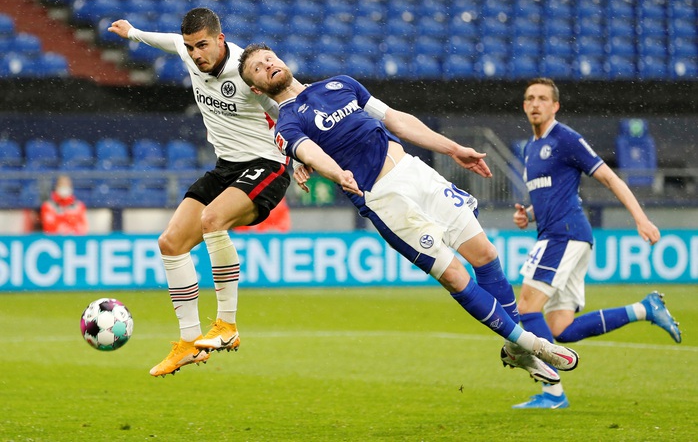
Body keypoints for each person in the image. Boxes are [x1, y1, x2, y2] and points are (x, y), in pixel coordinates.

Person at [238, 43, 581, 380]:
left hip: (416, 173)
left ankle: (517, 351)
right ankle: (531, 343)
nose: (267, 64)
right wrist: (335, 172)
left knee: (485, 254)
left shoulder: (340, 83)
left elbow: (397, 120)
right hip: (384, 198)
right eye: (258, 67)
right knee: (454, 275)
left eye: (269, 58)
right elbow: (310, 153)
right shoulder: (286, 125)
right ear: (256, 87)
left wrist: (453, 148)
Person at [108, 9, 291, 377]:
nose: (196, 55)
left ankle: (228, 326)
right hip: (226, 168)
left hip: (267, 166)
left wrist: (302, 153)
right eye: (191, 48)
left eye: (202, 46)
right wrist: (133, 33)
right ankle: (190, 343)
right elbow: (167, 40)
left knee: (212, 220)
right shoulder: (189, 51)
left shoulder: (246, 70)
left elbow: (288, 105)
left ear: (220, 40)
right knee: (171, 243)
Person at [509, 77, 682, 409]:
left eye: (543, 98)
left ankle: (553, 394)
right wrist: (528, 215)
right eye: (530, 98)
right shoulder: (532, 148)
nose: (535, 103)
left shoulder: (566, 138)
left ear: (555, 105)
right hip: (562, 233)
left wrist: (640, 218)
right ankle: (645, 308)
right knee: (562, 328)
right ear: (523, 105)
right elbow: (555, 192)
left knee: (528, 308)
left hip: (565, 234)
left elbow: (609, 177)